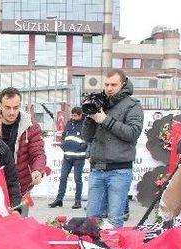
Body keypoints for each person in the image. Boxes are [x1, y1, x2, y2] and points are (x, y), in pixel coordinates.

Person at [82, 68, 143, 227]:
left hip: (120, 171)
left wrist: (104, 119)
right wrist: (90, 118)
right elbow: (86, 137)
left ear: (123, 84)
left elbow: (132, 133)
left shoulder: (132, 106)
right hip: (97, 169)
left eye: (114, 84)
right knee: (91, 219)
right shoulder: (100, 102)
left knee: (114, 220)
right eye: (107, 84)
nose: (109, 88)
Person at [0, 87, 46, 214]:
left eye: (16, 107)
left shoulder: (30, 126)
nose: (12, 112)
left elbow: (38, 152)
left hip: (21, 187)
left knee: (19, 226)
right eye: (7, 107)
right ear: (0, 106)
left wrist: (37, 170)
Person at [49, 107, 87, 209]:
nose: (73, 117)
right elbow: (64, 135)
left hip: (79, 157)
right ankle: (59, 200)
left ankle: (77, 201)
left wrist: (81, 147)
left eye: (75, 115)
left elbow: (88, 139)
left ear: (80, 115)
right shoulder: (69, 123)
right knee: (63, 178)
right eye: (72, 115)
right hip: (67, 157)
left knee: (77, 179)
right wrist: (63, 145)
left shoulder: (85, 124)